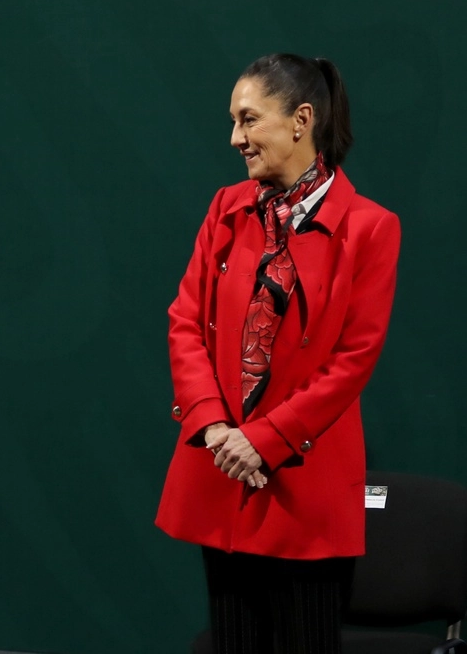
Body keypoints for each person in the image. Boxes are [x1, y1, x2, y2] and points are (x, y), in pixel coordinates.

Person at [155, 53, 401, 653]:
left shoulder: (370, 228)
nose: (235, 138)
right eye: (234, 122)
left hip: (302, 483)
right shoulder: (226, 209)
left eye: (248, 119)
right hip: (223, 470)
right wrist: (214, 427)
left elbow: (353, 360)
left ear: (301, 120)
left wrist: (262, 441)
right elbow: (186, 320)